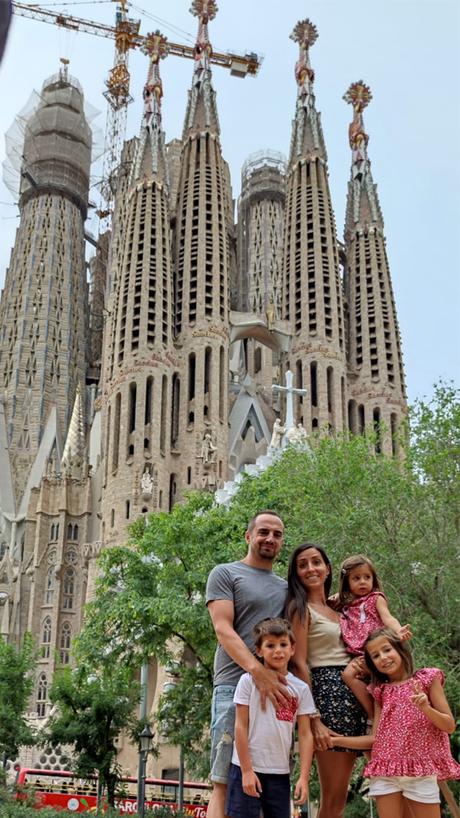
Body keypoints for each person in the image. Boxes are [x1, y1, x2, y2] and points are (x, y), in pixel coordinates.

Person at [206, 511, 289, 818]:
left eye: (277, 534)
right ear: (249, 535)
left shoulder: (285, 588)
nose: (270, 538)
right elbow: (223, 629)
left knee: (269, 781)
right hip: (232, 686)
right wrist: (258, 672)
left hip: (272, 693)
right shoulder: (225, 573)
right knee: (223, 781)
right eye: (264, 532)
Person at [330, 628, 460, 818]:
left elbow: (449, 726)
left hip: (420, 772)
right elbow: (376, 739)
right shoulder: (380, 691)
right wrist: (335, 740)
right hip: (386, 773)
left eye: (387, 649)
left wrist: (426, 708)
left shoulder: (426, 679)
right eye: (375, 656)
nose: (383, 658)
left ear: (400, 648)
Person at [286, 543, 367, 818]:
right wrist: (314, 718)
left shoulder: (339, 608)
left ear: (328, 568)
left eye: (316, 562)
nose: (311, 568)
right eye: (303, 565)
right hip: (328, 695)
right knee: (333, 800)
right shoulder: (300, 609)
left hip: (355, 694)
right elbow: (298, 663)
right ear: (296, 573)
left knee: (341, 798)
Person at [226, 618, 316, 818]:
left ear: (292, 649)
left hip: (279, 773)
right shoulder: (247, 681)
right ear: (259, 650)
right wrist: (247, 771)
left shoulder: (301, 689)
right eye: (270, 645)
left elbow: (305, 734)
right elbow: (240, 726)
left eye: (283, 644)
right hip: (246, 768)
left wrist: (303, 777)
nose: (278, 651)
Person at [338, 554, 412, 719]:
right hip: (358, 653)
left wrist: (398, 630)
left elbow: (388, 618)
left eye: (367, 577)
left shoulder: (376, 599)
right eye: (356, 578)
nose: (362, 582)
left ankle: (380, 716)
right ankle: (376, 714)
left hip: (376, 651)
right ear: (347, 582)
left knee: (373, 680)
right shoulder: (347, 606)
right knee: (354, 677)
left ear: (373, 579)